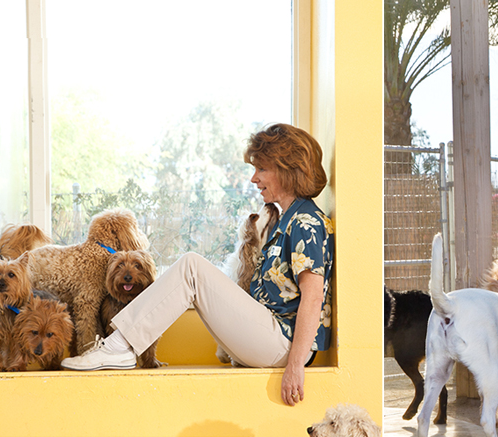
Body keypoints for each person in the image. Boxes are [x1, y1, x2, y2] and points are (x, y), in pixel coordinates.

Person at [60, 123, 334, 407]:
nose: (254, 179)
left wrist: (295, 367)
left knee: (192, 267)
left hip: (284, 345)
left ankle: (120, 346)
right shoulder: (286, 220)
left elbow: (312, 299)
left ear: (287, 170)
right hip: (270, 338)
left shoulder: (306, 223)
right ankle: (121, 346)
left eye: (262, 169)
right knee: (193, 271)